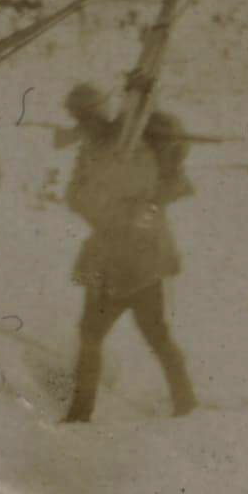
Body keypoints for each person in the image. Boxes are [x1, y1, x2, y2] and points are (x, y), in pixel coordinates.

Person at [61, 81, 198, 422]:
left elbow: (141, 194)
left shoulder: (133, 147)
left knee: (154, 332)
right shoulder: (90, 149)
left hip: (142, 256)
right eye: (79, 118)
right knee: (91, 333)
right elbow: (74, 194)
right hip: (107, 255)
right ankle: (80, 412)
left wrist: (107, 206)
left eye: (88, 116)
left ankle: (186, 402)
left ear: (100, 114)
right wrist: (100, 206)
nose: (85, 124)